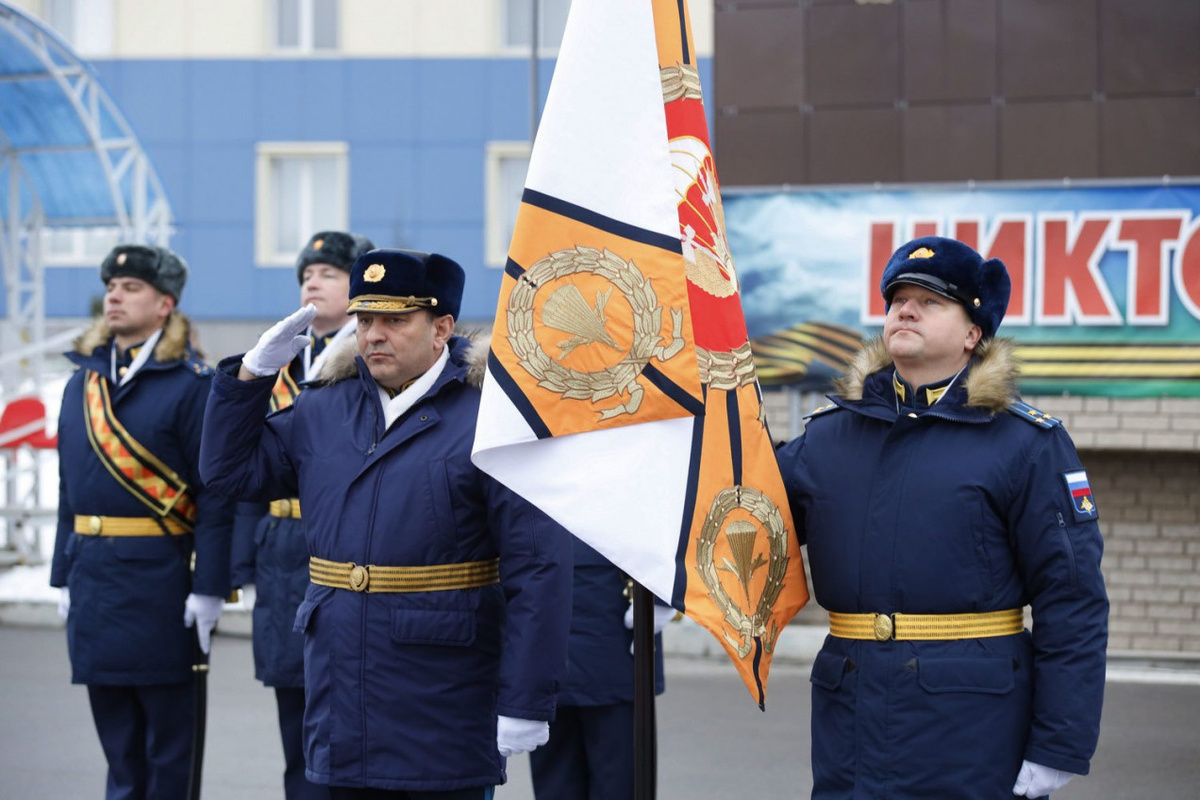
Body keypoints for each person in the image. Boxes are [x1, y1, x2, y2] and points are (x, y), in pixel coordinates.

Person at [199, 248, 573, 799]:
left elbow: (537, 566)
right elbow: (228, 472)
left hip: (444, 691)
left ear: (442, 327)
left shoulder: (489, 417)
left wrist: (526, 698)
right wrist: (249, 377)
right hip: (340, 687)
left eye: (396, 320)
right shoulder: (325, 408)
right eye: (366, 319)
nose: (373, 335)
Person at [776, 236, 1108, 800]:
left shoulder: (1023, 443)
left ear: (973, 333)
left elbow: (1071, 600)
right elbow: (744, 524)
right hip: (850, 727)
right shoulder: (829, 438)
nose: (905, 309)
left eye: (930, 301)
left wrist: (1059, 743)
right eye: (897, 299)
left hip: (972, 736)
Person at [49, 243, 234, 799]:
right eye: (111, 286)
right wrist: (62, 574)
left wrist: (209, 589)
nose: (114, 295)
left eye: (131, 287)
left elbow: (217, 497)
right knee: (119, 750)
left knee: (169, 751)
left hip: (161, 583)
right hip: (94, 582)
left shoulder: (192, 385)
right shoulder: (82, 384)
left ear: (164, 304)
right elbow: (69, 487)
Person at [229, 230, 374, 800]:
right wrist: (238, 566)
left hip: (335, 540)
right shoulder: (284, 359)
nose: (312, 282)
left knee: (350, 717)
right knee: (296, 724)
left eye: (329, 274)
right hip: (281, 550)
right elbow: (246, 473)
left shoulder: (369, 353)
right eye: (305, 275)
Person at [528, 539, 672, 800]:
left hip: (610, 630)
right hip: (551, 632)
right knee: (559, 781)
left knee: (616, 780)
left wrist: (663, 596)